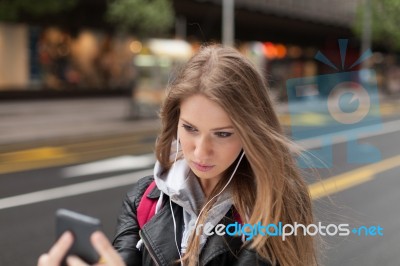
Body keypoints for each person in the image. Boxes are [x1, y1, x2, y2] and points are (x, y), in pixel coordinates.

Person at [38, 45, 317, 266]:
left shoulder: (274, 206)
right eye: (190, 128)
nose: (200, 151)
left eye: (223, 134)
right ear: (175, 121)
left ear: (252, 132)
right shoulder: (145, 199)